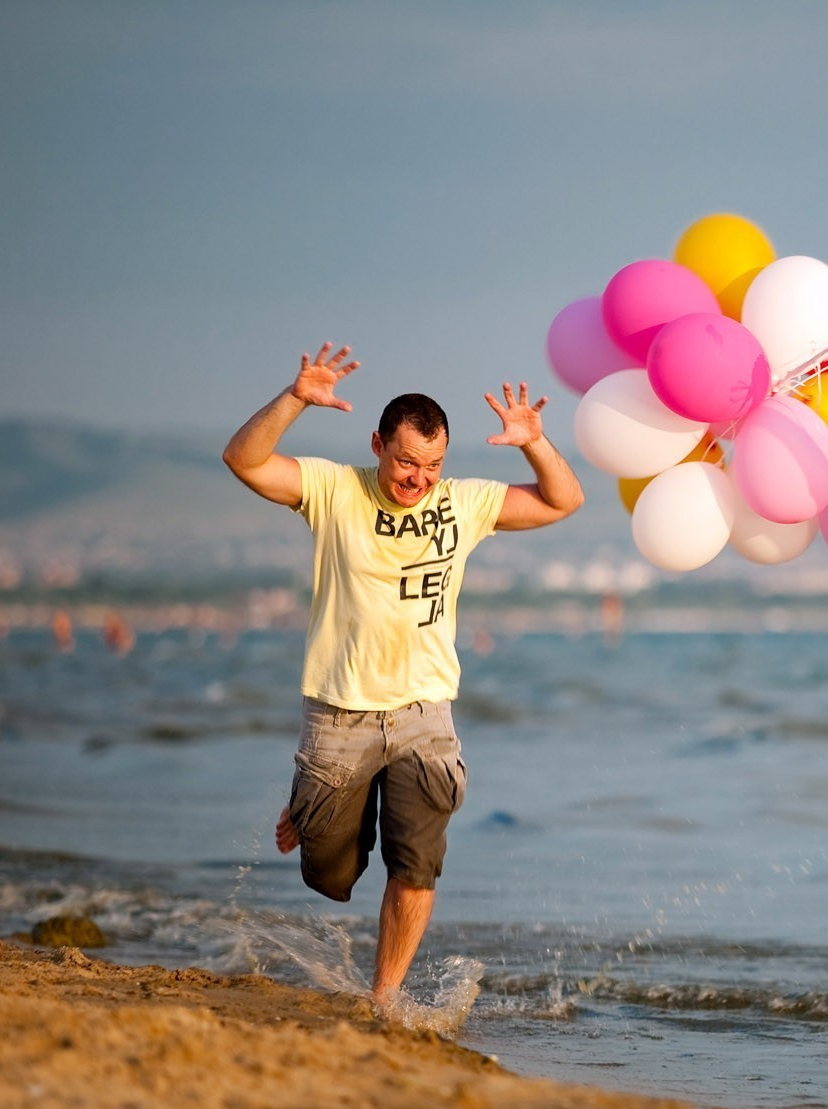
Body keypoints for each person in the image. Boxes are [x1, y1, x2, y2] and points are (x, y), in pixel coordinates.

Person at [222, 342, 585, 1011]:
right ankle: (312, 805)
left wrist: (534, 442)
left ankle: (383, 998)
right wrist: (295, 399)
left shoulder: (462, 503)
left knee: (416, 864)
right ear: (377, 445)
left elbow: (564, 501)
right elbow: (243, 460)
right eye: (407, 461)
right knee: (329, 873)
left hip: (425, 715)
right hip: (341, 714)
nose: (419, 478)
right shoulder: (335, 490)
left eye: (432, 465)